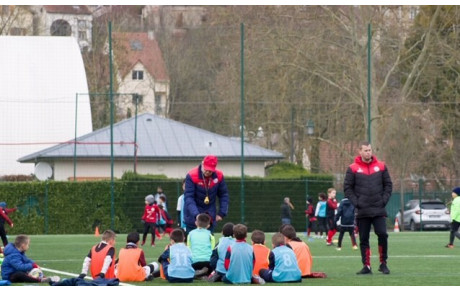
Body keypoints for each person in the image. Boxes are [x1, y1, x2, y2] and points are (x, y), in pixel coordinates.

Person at [344, 141, 392, 275]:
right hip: (363, 210)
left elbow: (388, 185)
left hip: (378, 209)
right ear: (360, 151)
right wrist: (357, 202)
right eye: (365, 150)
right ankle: (366, 266)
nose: (368, 153)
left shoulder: (381, 166)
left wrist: (383, 200)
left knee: (383, 234)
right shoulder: (352, 168)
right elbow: (347, 188)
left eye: (369, 150)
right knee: (363, 238)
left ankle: (383, 264)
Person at [184, 155, 229, 234]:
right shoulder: (191, 175)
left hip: (209, 217)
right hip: (192, 217)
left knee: (208, 243)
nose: (208, 172)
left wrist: (221, 213)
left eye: (210, 170)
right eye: (206, 169)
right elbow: (189, 197)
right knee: (192, 244)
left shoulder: (219, 176)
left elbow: (223, 195)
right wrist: (196, 215)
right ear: (202, 164)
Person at [187, 213, 215, 278]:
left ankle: (197, 273)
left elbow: (189, 249)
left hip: (194, 262)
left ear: (196, 223)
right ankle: (204, 273)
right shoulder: (210, 235)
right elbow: (212, 250)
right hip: (207, 262)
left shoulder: (190, 234)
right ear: (208, 225)